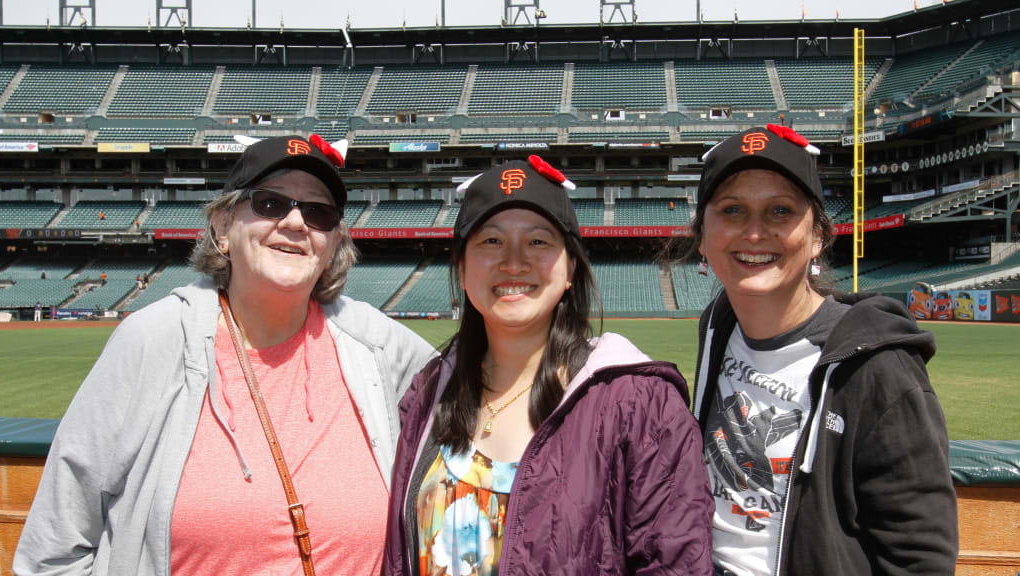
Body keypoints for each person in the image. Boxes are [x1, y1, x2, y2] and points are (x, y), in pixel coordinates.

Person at [15, 135, 436, 576]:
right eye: (270, 204)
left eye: (319, 213)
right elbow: (54, 550)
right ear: (221, 226)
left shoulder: (377, 343)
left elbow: (482, 396)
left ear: (333, 243)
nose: (295, 223)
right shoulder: (152, 341)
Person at [384, 156, 713, 575]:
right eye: (491, 241)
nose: (514, 262)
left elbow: (675, 563)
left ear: (570, 267)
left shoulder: (641, 404)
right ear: (462, 269)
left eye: (538, 241)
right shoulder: (430, 390)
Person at [688, 125, 957, 575]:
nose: (754, 233)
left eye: (780, 211)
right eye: (732, 210)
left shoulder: (877, 365)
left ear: (817, 237)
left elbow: (920, 556)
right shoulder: (718, 323)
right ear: (702, 236)